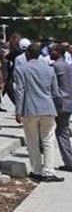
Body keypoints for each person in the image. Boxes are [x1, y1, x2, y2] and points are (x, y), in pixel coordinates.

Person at [15, 43, 63, 182]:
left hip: (30, 109)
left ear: (27, 54)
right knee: (48, 140)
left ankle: (36, 170)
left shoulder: (21, 69)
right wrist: (57, 109)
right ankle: (49, 172)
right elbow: (56, 92)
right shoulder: (50, 69)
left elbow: (20, 91)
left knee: (32, 141)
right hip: (48, 108)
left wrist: (18, 111)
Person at [50, 44, 72, 172]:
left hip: (60, 103)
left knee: (59, 132)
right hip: (68, 101)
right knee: (63, 131)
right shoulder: (68, 65)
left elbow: (52, 86)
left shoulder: (56, 66)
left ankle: (69, 162)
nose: (50, 52)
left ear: (58, 52)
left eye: (52, 51)